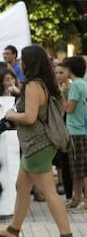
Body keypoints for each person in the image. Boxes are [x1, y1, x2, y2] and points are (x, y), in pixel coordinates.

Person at [0, 45, 76, 237]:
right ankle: (13, 230)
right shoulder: (45, 83)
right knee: (22, 186)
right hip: (35, 146)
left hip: (38, 146)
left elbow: (29, 117)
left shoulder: (33, 86)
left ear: (30, 62)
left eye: (23, 59)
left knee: (48, 191)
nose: (21, 63)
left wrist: (11, 115)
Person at [62, 56, 87, 211]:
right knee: (76, 168)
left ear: (70, 70)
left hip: (76, 131)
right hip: (81, 130)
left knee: (81, 169)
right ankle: (76, 198)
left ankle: (84, 199)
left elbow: (68, 108)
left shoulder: (76, 86)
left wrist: (60, 95)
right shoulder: (83, 83)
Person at [53, 63, 72, 199]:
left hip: (71, 127)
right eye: (56, 73)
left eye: (61, 72)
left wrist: (62, 94)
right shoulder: (52, 88)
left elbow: (67, 109)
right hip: (58, 128)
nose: (58, 75)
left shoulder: (72, 88)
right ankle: (68, 193)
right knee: (62, 161)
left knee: (73, 163)